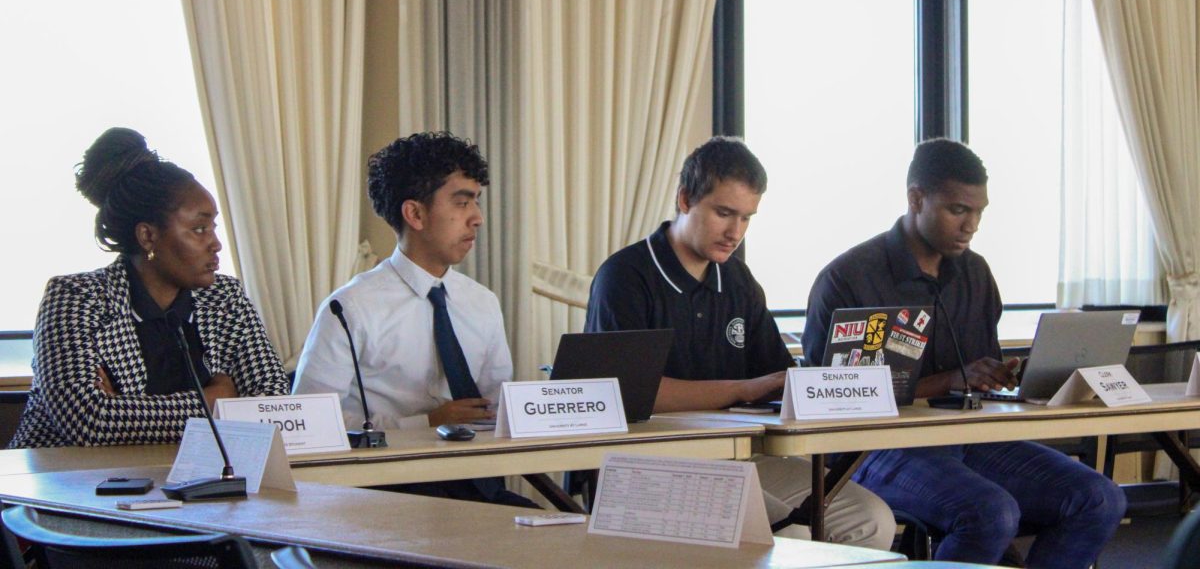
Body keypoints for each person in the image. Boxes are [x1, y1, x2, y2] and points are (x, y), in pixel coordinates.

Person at [803, 138, 1125, 568]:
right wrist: (950, 379)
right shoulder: (848, 278)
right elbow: (828, 395)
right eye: (958, 210)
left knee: (1100, 498)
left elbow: (977, 373)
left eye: (979, 213)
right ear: (916, 199)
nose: (971, 225)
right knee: (990, 512)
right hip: (873, 449)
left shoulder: (976, 273)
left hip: (968, 437)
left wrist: (1009, 375)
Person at [586, 136, 895, 549]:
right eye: (724, 213)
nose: (735, 232)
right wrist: (746, 389)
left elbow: (776, 374)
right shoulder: (625, 277)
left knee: (872, 521)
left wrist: (839, 383)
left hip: (738, 454)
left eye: (747, 218)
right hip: (648, 462)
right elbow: (627, 395)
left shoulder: (737, 280)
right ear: (684, 199)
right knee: (796, 535)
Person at [293, 132, 536, 508]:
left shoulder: (481, 302)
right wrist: (426, 422)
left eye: (477, 202)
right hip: (384, 494)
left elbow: (496, 409)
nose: (477, 219)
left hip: (475, 487)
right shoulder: (350, 308)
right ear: (415, 214)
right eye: (462, 202)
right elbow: (310, 427)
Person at [10, 128, 290, 449]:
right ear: (148, 237)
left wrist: (127, 413)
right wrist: (215, 401)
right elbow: (91, 424)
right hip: (61, 486)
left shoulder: (224, 297)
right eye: (199, 229)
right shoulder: (76, 298)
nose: (215, 244)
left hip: (190, 478)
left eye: (213, 226)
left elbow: (274, 405)